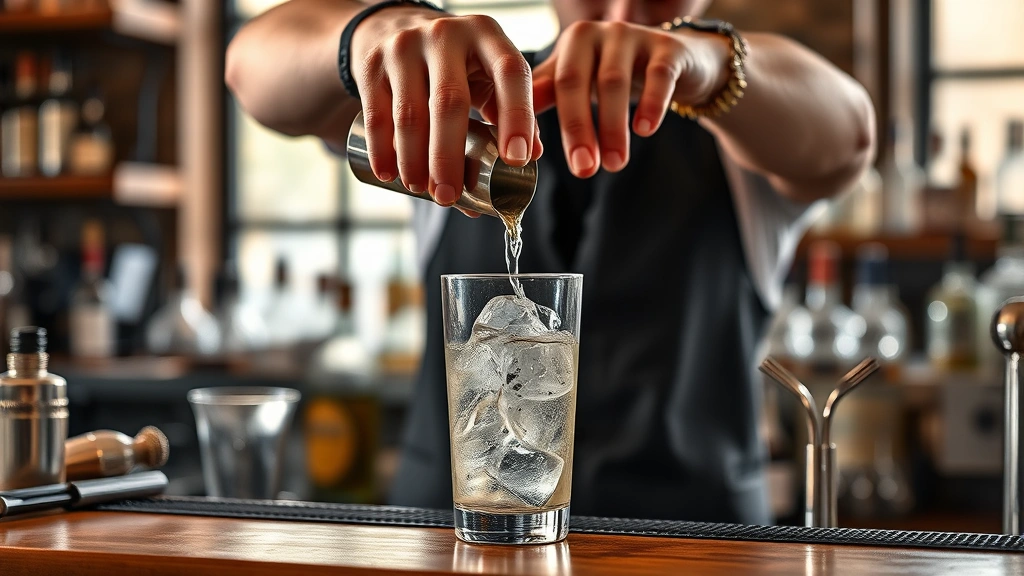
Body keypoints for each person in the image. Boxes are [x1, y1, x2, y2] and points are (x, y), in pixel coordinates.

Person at [226, 0, 875, 524]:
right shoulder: (455, 108)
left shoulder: (742, 131)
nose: (622, 12)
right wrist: (375, 32)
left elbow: (851, 133)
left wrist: (708, 63)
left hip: (693, 552)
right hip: (449, 549)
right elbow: (249, 69)